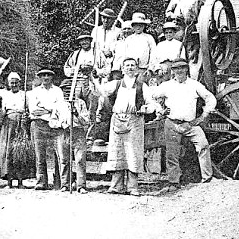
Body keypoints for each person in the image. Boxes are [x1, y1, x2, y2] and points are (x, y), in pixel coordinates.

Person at [92, 58, 159, 196]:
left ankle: (133, 187)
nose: (129, 68)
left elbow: (152, 104)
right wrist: (94, 79)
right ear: (122, 69)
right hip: (117, 120)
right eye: (127, 65)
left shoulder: (142, 86)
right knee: (117, 152)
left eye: (132, 65)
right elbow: (100, 91)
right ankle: (116, 186)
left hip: (134, 120)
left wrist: (146, 109)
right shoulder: (116, 84)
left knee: (133, 153)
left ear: (136, 69)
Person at [153, 58, 217, 192]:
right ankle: (173, 182)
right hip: (172, 123)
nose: (180, 71)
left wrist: (204, 115)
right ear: (173, 71)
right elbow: (152, 97)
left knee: (203, 145)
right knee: (172, 154)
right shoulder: (167, 85)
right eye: (176, 68)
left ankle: (207, 178)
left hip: (190, 124)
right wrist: (160, 110)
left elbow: (210, 98)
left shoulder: (194, 85)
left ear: (186, 69)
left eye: (182, 68)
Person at [27, 69, 66, 190]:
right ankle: (41, 182)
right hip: (38, 124)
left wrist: (44, 108)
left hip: (54, 124)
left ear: (52, 77)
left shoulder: (58, 91)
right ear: (39, 77)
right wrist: (51, 109)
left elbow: (60, 107)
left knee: (59, 154)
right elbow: (33, 110)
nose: (45, 77)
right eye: (43, 75)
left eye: (48, 75)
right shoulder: (35, 92)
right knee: (40, 154)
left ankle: (59, 182)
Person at [0, 71, 31, 188]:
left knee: (20, 152)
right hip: (8, 124)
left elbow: (28, 109)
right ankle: (9, 181)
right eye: (12, 83)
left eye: (16, 83)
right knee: (8, 152)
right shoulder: (5, 94)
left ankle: (20, 181)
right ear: (9, 84)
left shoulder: (25, 94)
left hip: (21, 125)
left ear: (20, 83)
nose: (14, 85)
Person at [165, 0, 205, 76]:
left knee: (193, 51)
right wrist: (174, 16)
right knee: (177, 48)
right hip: (178, 26)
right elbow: (168, 12)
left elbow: (205, 11)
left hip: (192, 26)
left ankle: (192, 75)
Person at [57, 77, 91, 193]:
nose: (67, 92)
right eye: (64, 89)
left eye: (69, 89)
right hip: (64, 132)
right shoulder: (59, 104)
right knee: (64, 159)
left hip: (78, 132)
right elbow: (52, 120)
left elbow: (86, 121)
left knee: (80, 159)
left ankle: (81, 185)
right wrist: (61, 124)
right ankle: (65, 184)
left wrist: (76, 114)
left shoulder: (80, 103)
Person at [117, 13, 157, 77]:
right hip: (130, 69)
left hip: (143, 69)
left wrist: (150, 68)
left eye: (140, 25)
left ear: (144, 26)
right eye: (136, 25)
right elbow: (124, 54)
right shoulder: (129, 39)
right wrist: (124, 68)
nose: (138, 27)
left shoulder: (149, 38)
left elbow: (153, 54)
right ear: (133, 26)